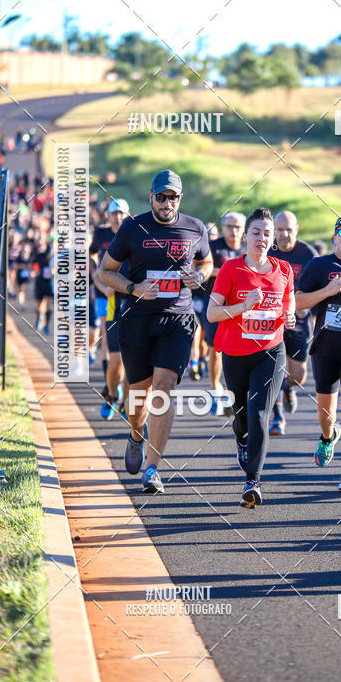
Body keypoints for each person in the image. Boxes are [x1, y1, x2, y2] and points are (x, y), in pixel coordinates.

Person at [99, 170, 213, 494]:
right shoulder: (132, 228)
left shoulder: (195, 227)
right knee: (139, 396)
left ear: (180, 198)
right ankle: (136, 434)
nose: (166, 203)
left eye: (172, 197)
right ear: (151, 197)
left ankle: (152, 468)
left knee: (164, 387)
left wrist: (199, 276)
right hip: (137, 321)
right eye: (160, 197)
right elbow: (105, 271)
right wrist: (134, 287)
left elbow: (207, 262)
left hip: (177, 319)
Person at [207, 208, 295, 508]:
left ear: (273, 239)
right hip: (234, 353)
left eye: (267, 234)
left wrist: (291, 315)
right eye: (256, 232)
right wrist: (243, 306)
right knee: (242, 416)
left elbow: (288, 300)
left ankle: (252, 482)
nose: (261, 238)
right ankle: (241, 438)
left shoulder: (284, 269)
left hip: (270, 352)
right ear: (246, 236)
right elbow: (212, 313)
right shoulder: (231, 269)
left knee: (259, 415)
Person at [296, 214, 341, 491]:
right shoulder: (319, 265)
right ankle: (329, 437)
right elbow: (297, 302)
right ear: (334, 237)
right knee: (326, 414)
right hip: (325, 348)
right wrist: (326, 291)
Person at [269, 210, 318, 434]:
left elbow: (316, 288)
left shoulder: (308, 253)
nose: (284, 235)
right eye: (280, 230)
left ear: (296, 229)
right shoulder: (268, 251)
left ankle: (290, 388)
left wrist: (308, 310)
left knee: (298, 375)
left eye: (289, 230)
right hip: (271, 320)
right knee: (274, 370)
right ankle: (277, 419)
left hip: (298, 320)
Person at [201, 211, 246, 415]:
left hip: (242, 310)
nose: (233, 231)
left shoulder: (248, 247)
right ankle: (214, 390)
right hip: (215, 307)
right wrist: (229, 273)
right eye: (229, 226)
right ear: (223, 227)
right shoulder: (213, 246)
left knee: (238, 352)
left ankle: (233, 392)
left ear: (243, 229)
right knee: (215, 349)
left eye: (237, 227)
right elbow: (201, 267)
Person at [90, 199, 130, 394]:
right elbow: (90, 256)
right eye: (115, 213)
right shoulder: (101, 233)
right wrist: (99, 283)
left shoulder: (132, 235)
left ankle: (116, 383)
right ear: (109, 215)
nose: (118, 217)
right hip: (104, 293)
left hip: (123, 293)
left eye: (122, 213)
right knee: (106, 337)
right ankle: (110, 385)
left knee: (122, 342)